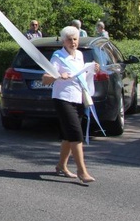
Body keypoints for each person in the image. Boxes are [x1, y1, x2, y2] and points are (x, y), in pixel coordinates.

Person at [42, 26, 99, 184]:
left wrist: (92, 69)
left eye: (75, 39)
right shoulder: (58, 57)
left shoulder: (80, 55)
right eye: (69, 39)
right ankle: (82, 171)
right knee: (76, 134)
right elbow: (45, 79)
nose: (73, 42)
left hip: (77, 98)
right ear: (63, 41)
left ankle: (61, 165)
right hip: (62, 99)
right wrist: (59, 75)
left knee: (68, 135)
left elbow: (82, 75)